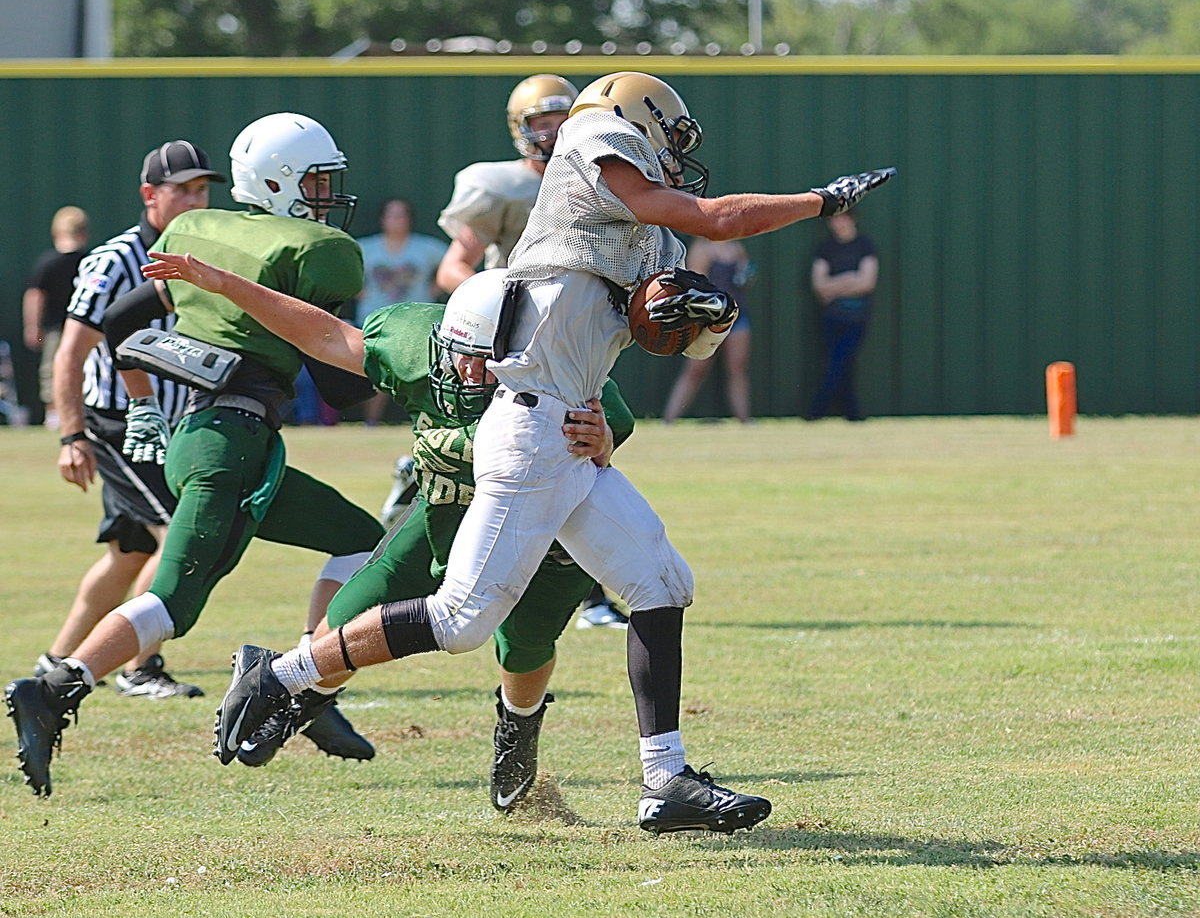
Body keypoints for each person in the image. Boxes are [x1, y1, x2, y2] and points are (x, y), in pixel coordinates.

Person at [213, 71, 894, 834]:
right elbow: (714, 216)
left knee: (662, 580)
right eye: (668, 134)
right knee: (463, 618)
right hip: (530, 428)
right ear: (633, 121)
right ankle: (282, 673)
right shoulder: (586, 145)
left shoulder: (646, 235)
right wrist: (821, 202)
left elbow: (667, 325)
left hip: (570, 428)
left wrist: (691, 319)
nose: (675, 153)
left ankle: (665, 781)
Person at [131, 262, 630, 812]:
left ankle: (518, 731)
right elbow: (325, 334)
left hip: (542, 530)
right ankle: (294, 698)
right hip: (444, 508)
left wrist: (601, 437)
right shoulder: (413, 341)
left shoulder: (562, 371)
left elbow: (610, 436)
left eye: (486, 362)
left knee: (524, 646)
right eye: (459, 353)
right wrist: (228, 285)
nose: (467, 371)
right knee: (350, 611)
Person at [5, 113, 385, 798]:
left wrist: (145, 401)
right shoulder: (314, 251)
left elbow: (121, 323)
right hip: (229, 446)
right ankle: (57, 685)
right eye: (319, 180)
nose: (331, 195)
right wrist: (392, 355)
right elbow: (338, 386)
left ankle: (305, 688)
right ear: (279, 182)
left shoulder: (202, 232)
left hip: (205, 437)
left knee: (361, 540)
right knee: (173, 597)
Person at [429, 72, 627, 632]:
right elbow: (453, 267)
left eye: (564, 119)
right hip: (507, 350)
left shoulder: (599, 182)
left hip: (569, 345)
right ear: (521, 130)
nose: (555, 132)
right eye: (542, 122)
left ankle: (583, 590)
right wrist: (492, 313)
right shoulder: (502, 187)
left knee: (598, 439)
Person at [41, 143, 218, 700]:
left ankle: (56, 661)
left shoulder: (198, 256)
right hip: (122, 423)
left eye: (201, 190)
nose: (194, 200)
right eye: (181, 190)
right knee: (179, 537)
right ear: (150, 196)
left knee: (130, 553)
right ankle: (140, 665)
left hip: (172, 421)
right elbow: (70, 352)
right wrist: (72, 435)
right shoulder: (114, 261)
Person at [354, 197, 448, 426]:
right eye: (392, 215)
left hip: (418, 321)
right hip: (375, 321)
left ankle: (429, 421)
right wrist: (359, 291)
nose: (397, 220)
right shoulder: (366, 247)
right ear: (382, 219)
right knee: (378, 372)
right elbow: (342, 270)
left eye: (402, 215)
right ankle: (371, 422)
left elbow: (452, 263)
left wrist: (434, 288)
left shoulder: (426, 247)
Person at [661, 236, 755, 424]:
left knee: (738, 368)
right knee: (695, 370)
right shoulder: (701, 249)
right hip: (707, 319)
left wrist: (746, 275)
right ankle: (669, 420)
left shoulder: (736, 247)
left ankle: (745, 420)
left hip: (737, 315)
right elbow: (697, 287)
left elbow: (746, 276)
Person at [806, 209, 878, 422]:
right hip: (831, 317)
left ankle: (817, 410)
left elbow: (867, 282)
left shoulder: (865, 246)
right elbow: (819, 286)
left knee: (839, 362)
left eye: (842, 219)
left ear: (852, 220)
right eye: (834, 219)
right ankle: (853, 414)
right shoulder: (825, 249)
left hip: (857, 317)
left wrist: (835, 285)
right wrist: (851, 279)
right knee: (840, 364)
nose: (838, 223)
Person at [23, 206, 90, 429]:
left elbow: (35, 296)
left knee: (53, 369)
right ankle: (76, 412)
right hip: (84, 328)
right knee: (83, 367)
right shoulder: (90, 261)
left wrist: (33, 327)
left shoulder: (47, 263)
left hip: (55, 329)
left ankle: (54, 413)